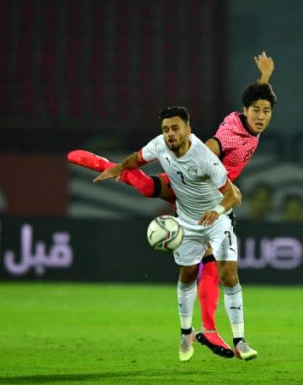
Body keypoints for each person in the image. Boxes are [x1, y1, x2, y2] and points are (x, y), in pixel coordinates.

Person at [69, 52, 276, 358]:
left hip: (204, 193)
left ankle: (208, 331)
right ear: (245, 112)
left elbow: (256, 103)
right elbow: (210, 150)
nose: (261, 116)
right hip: (197, 186)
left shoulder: (247, 119)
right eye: (256, 111)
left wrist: (264, 78)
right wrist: (217, 184)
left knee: (148, 189)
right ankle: (209, 330)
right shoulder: (227, 136)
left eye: (265, 111)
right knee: (204, 256)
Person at [94, 106, 258, 362]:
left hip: (217, 218)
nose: (170, 134)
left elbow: (233, 195)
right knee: (187, 274)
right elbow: (136, 159)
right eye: (166, 129)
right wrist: (118, 168)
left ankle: (240, 340)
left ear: (188, 130)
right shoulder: (159, 145)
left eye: (175, 128)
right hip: (187, 220)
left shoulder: (204, 157)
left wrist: (216, 211)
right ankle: (186, 332)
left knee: (228, 274)